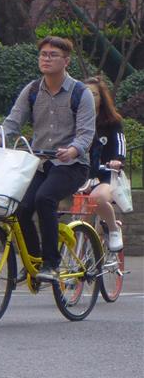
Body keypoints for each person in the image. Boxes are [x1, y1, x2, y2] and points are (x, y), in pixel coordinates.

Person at [0, 36, 95, 283]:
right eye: (43, 54)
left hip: (72, 165)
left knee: (44, 198)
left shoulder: (81, 93)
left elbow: (85, 134)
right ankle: (34, 260)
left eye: (53, 55)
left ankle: (52, 264)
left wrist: (73, 150)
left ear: (66, 61)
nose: (46, 59)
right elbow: (12, 122)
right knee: (19, 207)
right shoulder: (32, 90)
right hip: (39, 163)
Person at [81, 76, 125, 252]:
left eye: (94, 94)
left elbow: (120, 144)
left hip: (107, 174)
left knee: (97, 198)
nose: (90, 98)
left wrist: (118, 160)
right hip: (82, 175)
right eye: (85, 94)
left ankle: (113, 228)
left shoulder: (112, 122)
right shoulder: (76, 120)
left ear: (102, 98)